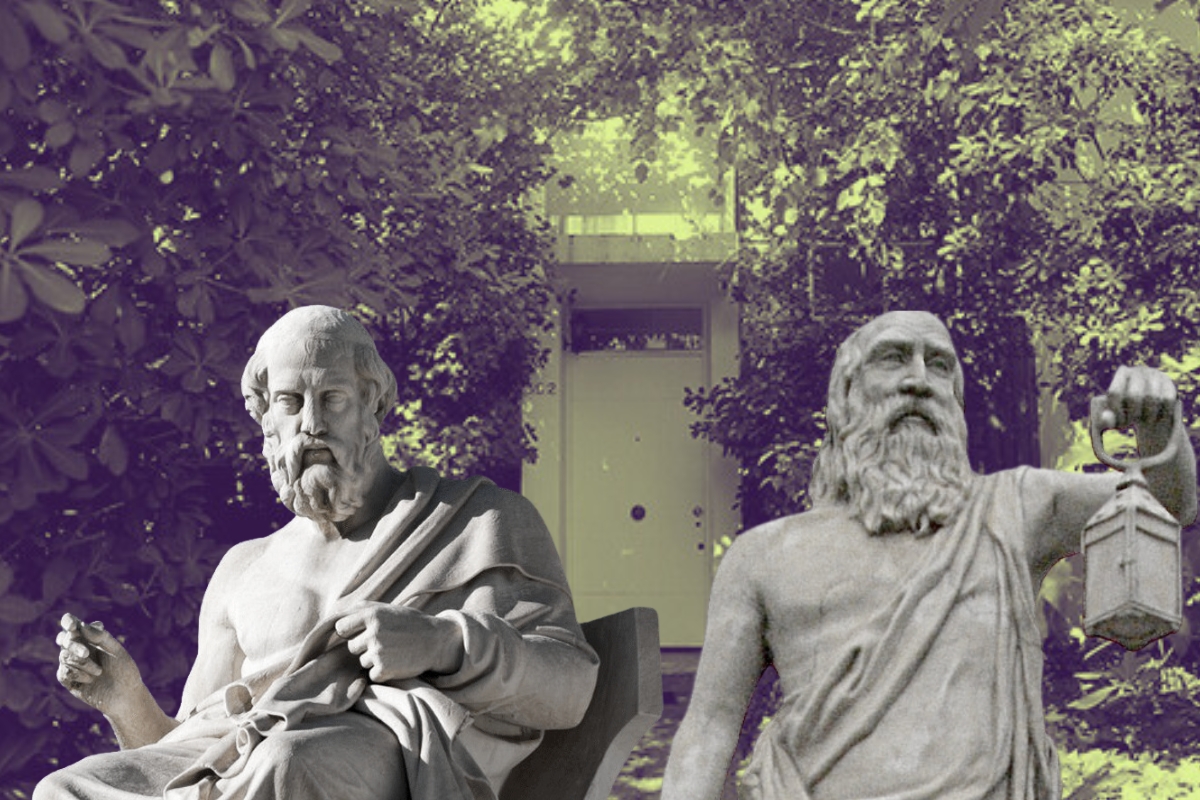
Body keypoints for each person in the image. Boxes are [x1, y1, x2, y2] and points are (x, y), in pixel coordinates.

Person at [37, 305, 599, 800]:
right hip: (250, 767)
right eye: (290, 401)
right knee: (64, 789)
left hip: (374, 755)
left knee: (286, 762)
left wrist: (444, 643)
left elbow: (569, 687)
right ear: (267, 420)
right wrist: (125, 699)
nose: (311, 424)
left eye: (332, 397)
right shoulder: (243, 569)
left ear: (372, 406)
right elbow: (189, 753)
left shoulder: (473, 522)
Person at [662, 310, 1197, 800]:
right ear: (846, 394)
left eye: (939, 365)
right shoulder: (763, 556)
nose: (918, 379)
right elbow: (709, 729)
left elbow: (1166, 502)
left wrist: (1159, 433)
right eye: (892, 358)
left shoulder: (1013, 509)